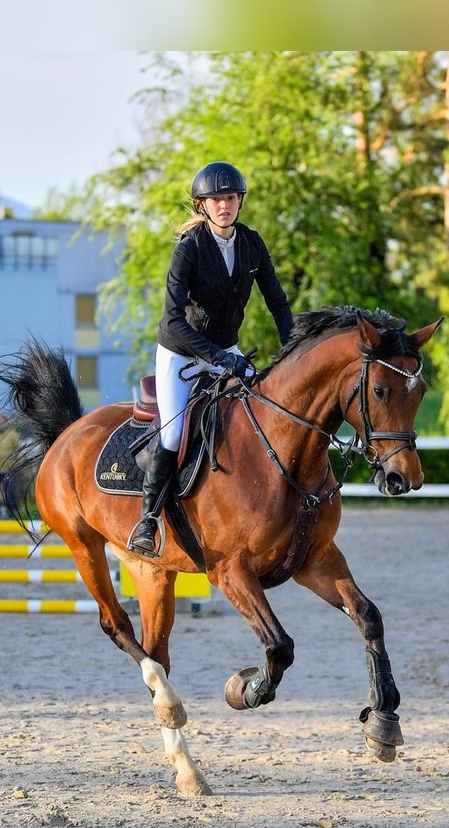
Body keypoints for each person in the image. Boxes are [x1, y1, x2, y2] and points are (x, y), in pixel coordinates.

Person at [127, 161, 294, 557]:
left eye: (231, 198)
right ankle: (148, 520)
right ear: (202, 205)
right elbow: (171, 318)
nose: (225, 205)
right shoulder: (189, 250)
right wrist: (219, 357)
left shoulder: (252, 243)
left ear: (239, 202)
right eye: (216, 199)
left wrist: (292, 350)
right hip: (181, 354)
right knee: (172, 433)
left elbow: (277, 301)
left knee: (267, 409)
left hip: (226, 351)